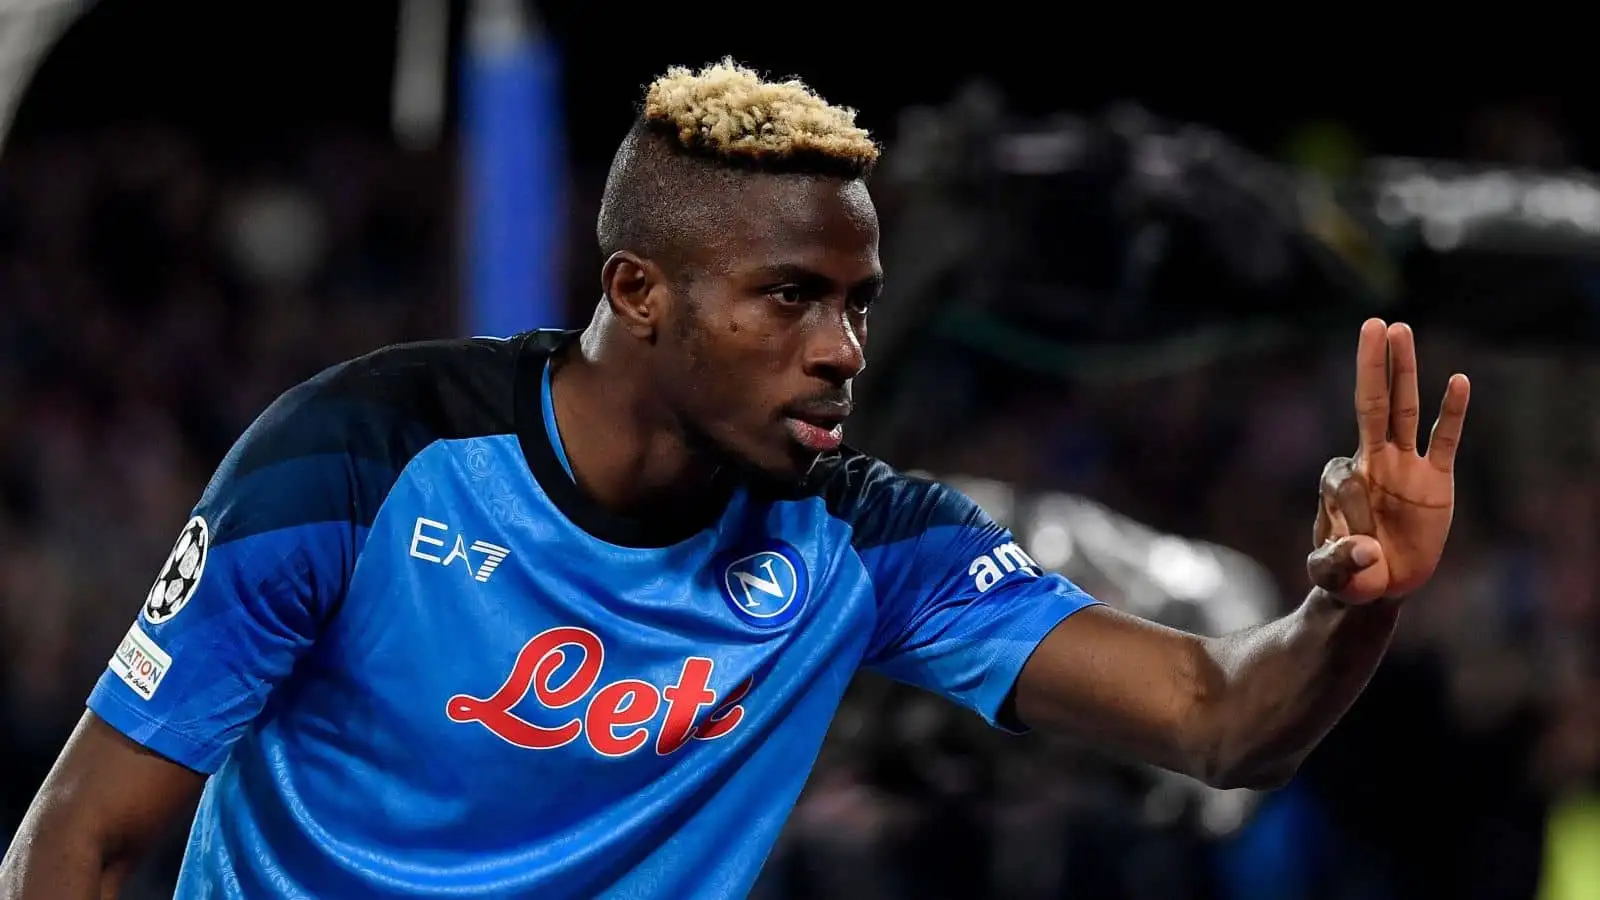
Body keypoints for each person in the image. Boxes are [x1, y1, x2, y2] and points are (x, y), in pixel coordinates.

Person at [0, 60, 1471, 899]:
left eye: (859, 304)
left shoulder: (863, 540)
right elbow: (76, 841)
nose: (841, 350)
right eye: (788, 299)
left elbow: (1221, 722)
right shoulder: (356, 461)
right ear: (640, 292)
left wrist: (1354, 610)